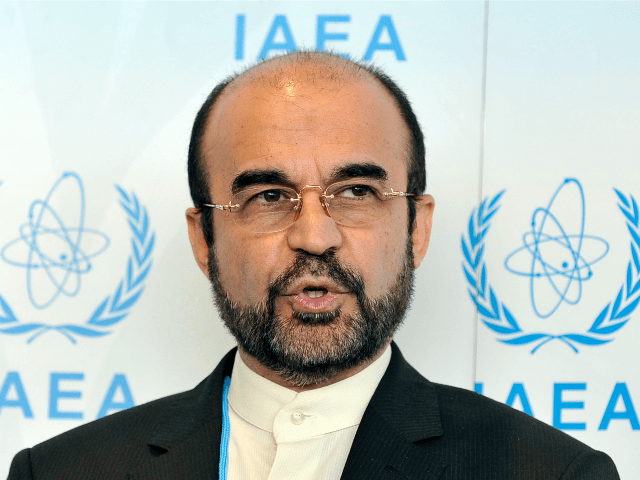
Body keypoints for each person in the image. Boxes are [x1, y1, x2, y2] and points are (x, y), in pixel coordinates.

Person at [8, 51, 619, 480]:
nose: (315, 236)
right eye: (268, 196)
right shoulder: (60, 472)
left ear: (417, 228)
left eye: (355, 192)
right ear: (204, 239)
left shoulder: (551, 472)